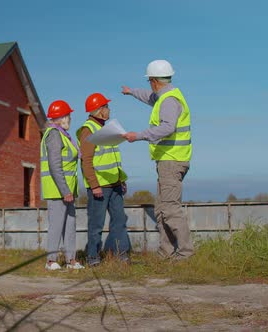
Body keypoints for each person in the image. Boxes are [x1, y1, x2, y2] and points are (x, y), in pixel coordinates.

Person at [121, 59, 193, 260]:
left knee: (170, 209)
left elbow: (167, 127)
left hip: (172, 160)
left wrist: (139, 136)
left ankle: (186, 254)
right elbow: (149, 97)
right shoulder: (165, 96)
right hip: (168, 161)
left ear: (153, 80)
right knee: (162, 209)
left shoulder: (169, 101)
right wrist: (131, 91)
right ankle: (166, 252)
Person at [77, 93, 131, 267]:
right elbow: (86, 161)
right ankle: (93, 257)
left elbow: (113, 158)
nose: (109, 110)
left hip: (115, 185)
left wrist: (121, 180)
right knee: (96, 224)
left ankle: (121, 255)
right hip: (99, 187)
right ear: (98, 111)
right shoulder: (88, 130)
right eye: (106, 107)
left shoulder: (108, 129)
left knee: (120, 221)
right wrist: (94, 185)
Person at [41, 100, 85, 270]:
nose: (70, 118)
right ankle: (50, 261)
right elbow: (54, 165)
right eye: (69, 115)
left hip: (67, 189)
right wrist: (65, 190)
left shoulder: (63, 135)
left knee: (70, 225)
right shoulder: (54, 135)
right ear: (62, 117)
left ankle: (71, 260)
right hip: (57, 190)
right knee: (57, 225)